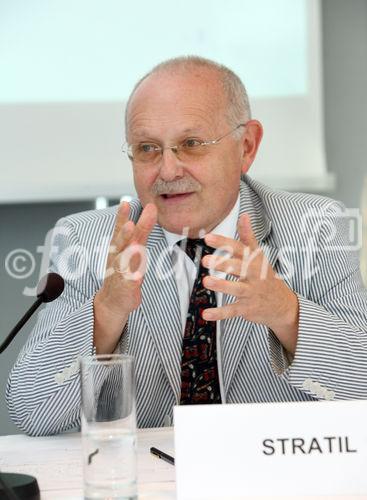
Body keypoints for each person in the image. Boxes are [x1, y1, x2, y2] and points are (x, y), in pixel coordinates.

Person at [7, 56, 367, 436]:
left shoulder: (315, 228)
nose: (167, 170)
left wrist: (287, 314)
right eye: (147, 148)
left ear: (246, 146)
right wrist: (105, 312)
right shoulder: (87, 240)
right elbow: (31, 411)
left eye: (191, 144)